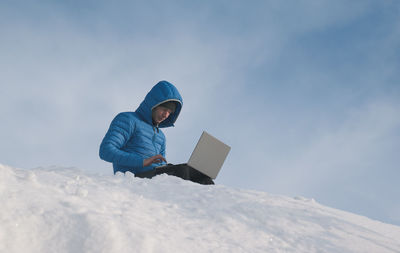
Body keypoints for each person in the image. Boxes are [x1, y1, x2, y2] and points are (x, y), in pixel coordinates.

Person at [99, 80, 214, 185]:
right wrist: (142, 162)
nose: (166, 115)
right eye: (164, 109)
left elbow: (161, 165)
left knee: (203, 178)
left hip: (154, 175)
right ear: (153, 106)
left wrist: (165, 167)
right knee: (183, 171)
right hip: (132, 178)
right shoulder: (127, 119)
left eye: (169, 112)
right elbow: (106, 150)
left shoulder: (161, 136)